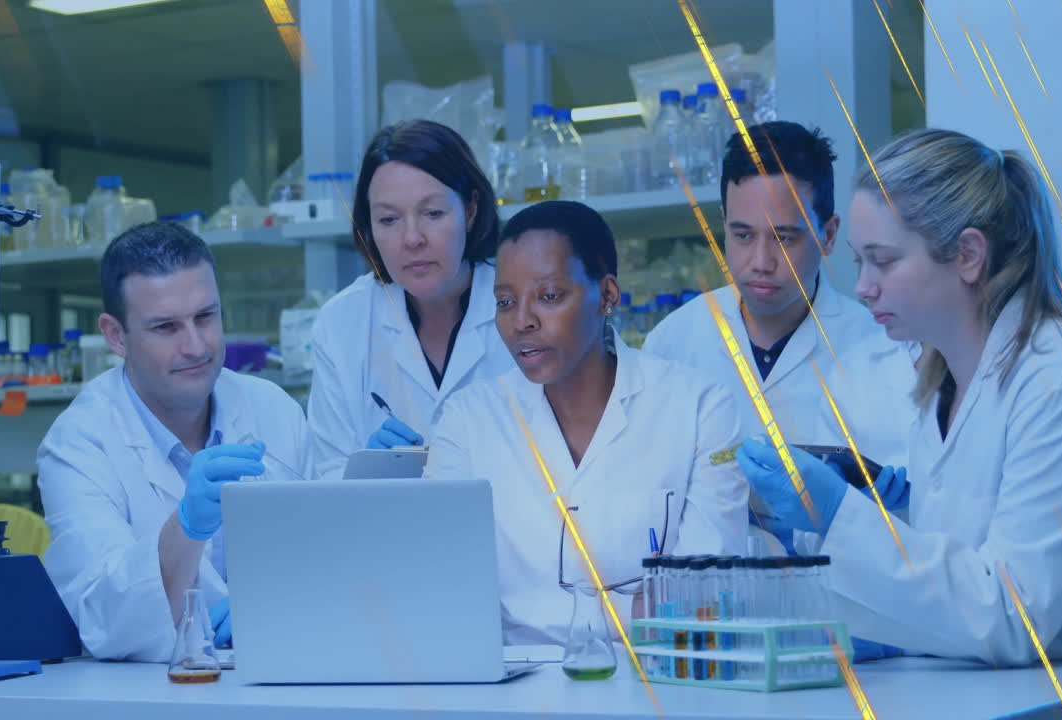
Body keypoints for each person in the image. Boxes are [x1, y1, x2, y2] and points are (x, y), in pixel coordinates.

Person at [737, 129, 1062, 664]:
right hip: (1002, 689)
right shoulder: (945, 378)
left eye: (884, 261)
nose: (864, 286)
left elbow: (1012, 616)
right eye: (859, 261)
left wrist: (838, 512)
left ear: (967, 255)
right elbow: (959, 576)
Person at [423, 200, 749, 645]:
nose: (522, 321)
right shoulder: (468, 422)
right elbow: (440, 588)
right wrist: (636, 608)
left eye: (549, 296)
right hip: (513, 695)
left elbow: (707, 594)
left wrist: (524, 611)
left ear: (608, 296)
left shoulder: (697, 407)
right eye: (505, 302)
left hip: (656, 686)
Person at [39, 222, 313, 662]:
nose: (195, 346)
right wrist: (185, 527)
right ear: (115, 336)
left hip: (280, 677)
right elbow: (103, 618)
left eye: (206, 316)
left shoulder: (272, 410)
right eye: (166, 327)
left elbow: (322, 566)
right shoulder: (79, 444)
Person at [641, 121, 919, 552]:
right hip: (711, 608)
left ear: (828, 235)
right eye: (743, 235)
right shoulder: (672, 343)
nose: (761, 261)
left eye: (784, 238)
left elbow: (915, 525)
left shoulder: (886, 350)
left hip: (839, 611)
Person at [308, 120, 517, 481]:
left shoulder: (523, 304)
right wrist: (364, 472)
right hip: (387, 532)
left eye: (433, 213)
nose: (412, 238)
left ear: (469, 210)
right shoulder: (343, 321)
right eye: (388, 219)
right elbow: (326, 473)